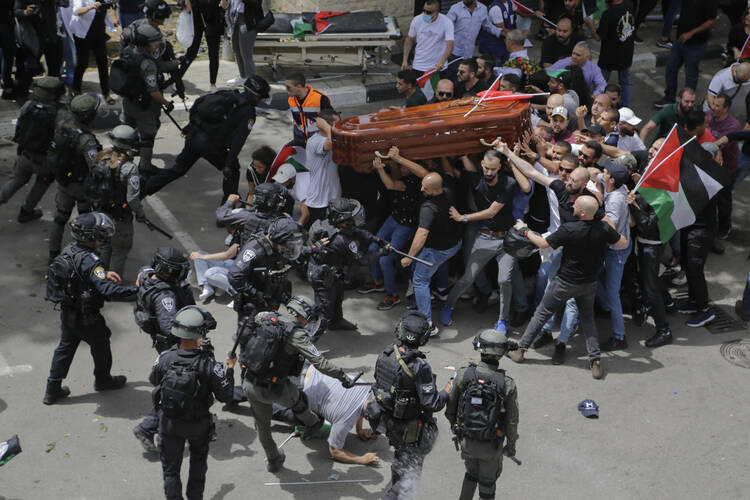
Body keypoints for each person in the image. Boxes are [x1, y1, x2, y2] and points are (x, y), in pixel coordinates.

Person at [508, 195, 627, 378]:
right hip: (589, 283)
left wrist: (524, 230)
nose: (573, 205)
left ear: (583, 212)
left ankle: (520, 350)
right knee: (588, 320)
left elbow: (541, 243)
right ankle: (595, 360)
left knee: (541, 313)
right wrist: (609, 226)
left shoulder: (569, 229)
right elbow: (622, 242)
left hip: (565, 282)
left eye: (576, 205)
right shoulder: (602, 228)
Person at [239, 309, 356, 473]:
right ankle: (312, 424)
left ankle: (273, 459)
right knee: (299, 400)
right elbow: (320, 362)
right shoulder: (297, 334)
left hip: (249, 382)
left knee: (262, 426)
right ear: (303, 316)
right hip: (276, 388)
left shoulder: (267, 319)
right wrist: (343, 376)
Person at [43, 212, 137, 404]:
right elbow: (108, 291)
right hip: (88, 317)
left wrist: (103, 274)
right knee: (101, 345)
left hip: (68, 312)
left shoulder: (70, 250)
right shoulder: (92, 261)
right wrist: (139, 290)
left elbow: (79, 274)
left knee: (65, 348)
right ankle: (103, 380)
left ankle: (52, 389)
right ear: (91, 236)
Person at [150, 305, 235, 499]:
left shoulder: (165, 357)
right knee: (197, 465)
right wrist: (229, 368)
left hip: (169, 424)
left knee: (171, 471)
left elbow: (153, 380)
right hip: (198, 425)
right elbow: (226, 395)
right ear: (199, 334)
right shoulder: (210, 365)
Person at [441, 149, 529, 333]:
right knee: (468, 277)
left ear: (500, 167)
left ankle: (503, 321)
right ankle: (448, 306)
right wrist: (453, 152)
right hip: (485, 237)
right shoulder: (475, 178)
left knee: (505, 280)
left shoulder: (508, 183)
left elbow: (492, 211)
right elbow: (452, 172)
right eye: (486, 168)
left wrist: (463, 218)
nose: (489, 173)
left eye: (493, 169)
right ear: (482, 164)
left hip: (507, 239)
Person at [144, 76, 270, 202]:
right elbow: (238, 140)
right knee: (233, 171)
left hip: (194, 138)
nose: (259, 100)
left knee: (178, 169)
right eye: (259, 97)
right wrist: (229, 164)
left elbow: (198, 104)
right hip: (212, 146)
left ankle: (143, 189)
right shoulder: (248, 112)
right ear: (254, 95)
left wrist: (190, 126)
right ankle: (226, 211)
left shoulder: (226, 94)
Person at [368, 311, 451, 499]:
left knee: (400, 461)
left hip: (390, 422)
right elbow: (432, 402)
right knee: (409, 478)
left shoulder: (386, 354)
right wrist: (448, 389)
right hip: (411, 429)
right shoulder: (419, 365)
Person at [132, 247, 194, 452]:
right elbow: (170, 328)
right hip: (171, 346)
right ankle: (148, 428)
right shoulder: (165, 296)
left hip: (163, 344)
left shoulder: (147, 273)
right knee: (176, 389)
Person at [445, 328, 519, 500]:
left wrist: (457, 429)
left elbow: (451, 407)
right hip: (491, 446)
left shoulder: (464, 374)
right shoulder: (507, 384)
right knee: (487, 483)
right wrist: (511, 446)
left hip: (467, 441)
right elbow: (512, 421)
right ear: (501, 354)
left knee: (471, 473)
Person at [307, 198, 388, 337]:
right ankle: (307, 344)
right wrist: (382, 252)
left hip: (331, 271)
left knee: (338, 295)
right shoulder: (342, 240)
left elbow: (355, 231)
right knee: (324, 312)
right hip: (321, 275)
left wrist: (375, 239)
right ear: (342, 219)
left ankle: (336, 321)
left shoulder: (330, 224)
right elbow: (362, 260)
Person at [276, 363, 380, 465]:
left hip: (306, 366)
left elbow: (360, 406)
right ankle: (269, 409)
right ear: (367, 418)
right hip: (299, 387)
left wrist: (359, 429)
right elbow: (335, 452)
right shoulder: (345, 421)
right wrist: (361, 459)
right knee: (314, 422)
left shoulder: (366, 388)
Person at [401, 173, 463, 335]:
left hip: (437, 249)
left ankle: (427, 324)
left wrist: (409, 256)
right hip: (454, 244)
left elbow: (422, 234)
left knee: (420, 279)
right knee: (435, 266)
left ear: (435, 190)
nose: (421, 189)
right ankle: (441, 291)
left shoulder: (428, 208)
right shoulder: (448, 192)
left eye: (425, 188)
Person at [362, 153, 423, 310]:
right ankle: (379, 283)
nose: (402, 169)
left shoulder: (415, 182)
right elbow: (396, 173)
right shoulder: (402, 174)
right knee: (372, 249)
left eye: (405, 166)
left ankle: (392, 295)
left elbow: (391, 185)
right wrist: (392, 160)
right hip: (393, 218)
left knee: (385, 259)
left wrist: (380, 169)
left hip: (405, 226)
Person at [1, 76, 64, 222]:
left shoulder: (28, 105)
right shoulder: (58, 113)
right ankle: (26, 211)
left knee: (17, 179)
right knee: (43, 182)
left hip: (24, 155)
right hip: (44, 162)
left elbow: (19, 128)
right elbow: (61, 139)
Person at [84, 125, 145, 276]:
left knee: (104, 246)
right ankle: (113, 285)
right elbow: (132, 199)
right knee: (120, 249)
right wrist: (140, 214)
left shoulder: (101, 157)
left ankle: (100, 279)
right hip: (119, 217)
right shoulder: (129, 168)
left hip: (100, 213)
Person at [48, 94, 102, 263]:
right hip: (81, 186)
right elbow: (96, 167)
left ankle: (53, 254)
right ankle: (84, 256)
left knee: (60, 219)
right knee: (85, 221)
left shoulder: (63, 125)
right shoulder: (86, 140)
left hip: (64, 181)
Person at [119, 22, 173, 177]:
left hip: (128, 101)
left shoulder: (128, 51)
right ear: (146, 44)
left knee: (126, 135)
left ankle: (121, 165)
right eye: (154, 41)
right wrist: (167, 103)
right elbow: (154, 92)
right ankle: (145, 168)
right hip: (144, 107)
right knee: (148, 136)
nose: (157, 44)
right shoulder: (148, 63)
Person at [677, 143, 722, 328]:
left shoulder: (711, 178)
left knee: (695, 269)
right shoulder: (694, 171)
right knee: (687, 265)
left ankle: (704, 310)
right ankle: (693, 301)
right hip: (690, 225)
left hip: (701, 230)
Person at [227, 216, 302, 323]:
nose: (288, 248)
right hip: (254, 304)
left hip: (271, 297)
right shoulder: (255, 250)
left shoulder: (279, 247)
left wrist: (314, 249)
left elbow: (296, 251)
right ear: (278, 239)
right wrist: (255, 294)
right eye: (287, 244)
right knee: (248, 334)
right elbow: (234, 276)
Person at [626, 187, 673, 347]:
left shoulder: (664, 199)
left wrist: (633, 204)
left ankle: (664, 330)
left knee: (651, 287)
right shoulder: (646, 191)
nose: (647, 168)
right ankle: (668, 302)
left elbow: (647, 225)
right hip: (643, 244)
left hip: (652, 248)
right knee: (649, 281)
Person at [654, 1, 718, 109]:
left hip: (696, 44)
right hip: (680, 40)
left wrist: (691, 33)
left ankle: (688, 103)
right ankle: (669, 98)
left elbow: (711, 22)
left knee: (691, 75)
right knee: (670, 68)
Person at [595, 162, 631, 351]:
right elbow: (595, 174)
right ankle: (605, 306)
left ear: (612, 180)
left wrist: (597, 211)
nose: (603, 173)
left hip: (616, 250)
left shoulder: (617, 199)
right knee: (596, 276)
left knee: (612, 292)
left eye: (606, 172)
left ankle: (619, 336)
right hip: (614, 247)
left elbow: (611, 228)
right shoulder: (616, 185)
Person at [70, 0, 119, 105]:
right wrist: (91, 7)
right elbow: (77, 11)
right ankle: (76, 90)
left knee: (103, 62)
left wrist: (113, 15)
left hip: (99, 32)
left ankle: (106, 93)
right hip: (83, 34)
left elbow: (111, 5)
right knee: (82, 62)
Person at [706, 94, 741, 241]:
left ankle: (724, 228)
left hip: (727, 168)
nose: (713, 108)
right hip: (710, 166)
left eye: (717, 106)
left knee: (723, 200)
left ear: (726, 108)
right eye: (712, 104)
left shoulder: (733, 126)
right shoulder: (707, 116)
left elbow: (720, 146)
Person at [13, 0, 63, 100]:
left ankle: (53, 96)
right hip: (34, 39)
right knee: (30, 69)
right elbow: (15, 12)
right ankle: (22, 95)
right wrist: (25, 12)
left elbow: (65, 3)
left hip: (52, 36)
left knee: (55, 69)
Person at [305, 109, 342, 225]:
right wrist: (326, 126)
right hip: (318, 202)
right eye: (337, 123)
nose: (340, 126)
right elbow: (332, 144)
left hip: (334, 198)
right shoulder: (314, 141)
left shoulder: (335, 137)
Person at [596, 0, 635, 108]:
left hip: (609, 56)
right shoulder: (630, 5)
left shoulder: (608, 14)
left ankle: (598, 107)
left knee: (601, 83)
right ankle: (626, 109)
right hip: (626, 53)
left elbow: (598, 36)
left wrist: (589, 24)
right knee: (625, 82)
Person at [180, 0, 225, 91]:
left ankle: (213, 84)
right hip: (197, 14)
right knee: (192, 52)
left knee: (214, 53)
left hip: (214, 16)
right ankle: (176, 78)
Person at [402, 0, 455, 73]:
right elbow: (409, 40)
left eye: (428, 12)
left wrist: (442, 61)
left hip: (437, 67)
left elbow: (450, 44)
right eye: (424, 10)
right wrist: (405, 60)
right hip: (419, 65)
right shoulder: (416, 20)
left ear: (437, 12)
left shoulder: (446, 22)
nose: (425, 14)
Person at [285, 72, 333, 145]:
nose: (286, 90)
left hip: (317, 141)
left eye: (288, 87)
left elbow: (333, 121)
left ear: (299, 86)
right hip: (299, 140)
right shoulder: (291, 100)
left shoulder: (320, 99)